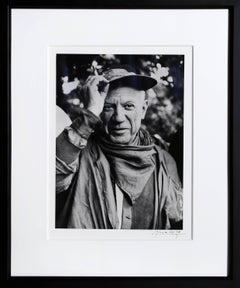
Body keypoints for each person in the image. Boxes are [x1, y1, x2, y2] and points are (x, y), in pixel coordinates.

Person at [56, 65, 183, 229]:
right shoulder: (77, 151)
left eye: (128, 106)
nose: (118, 118)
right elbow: (52, 180)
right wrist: (90, 113)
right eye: (108, 107)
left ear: (143, 109)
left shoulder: (164, 162)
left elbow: (179, 220)